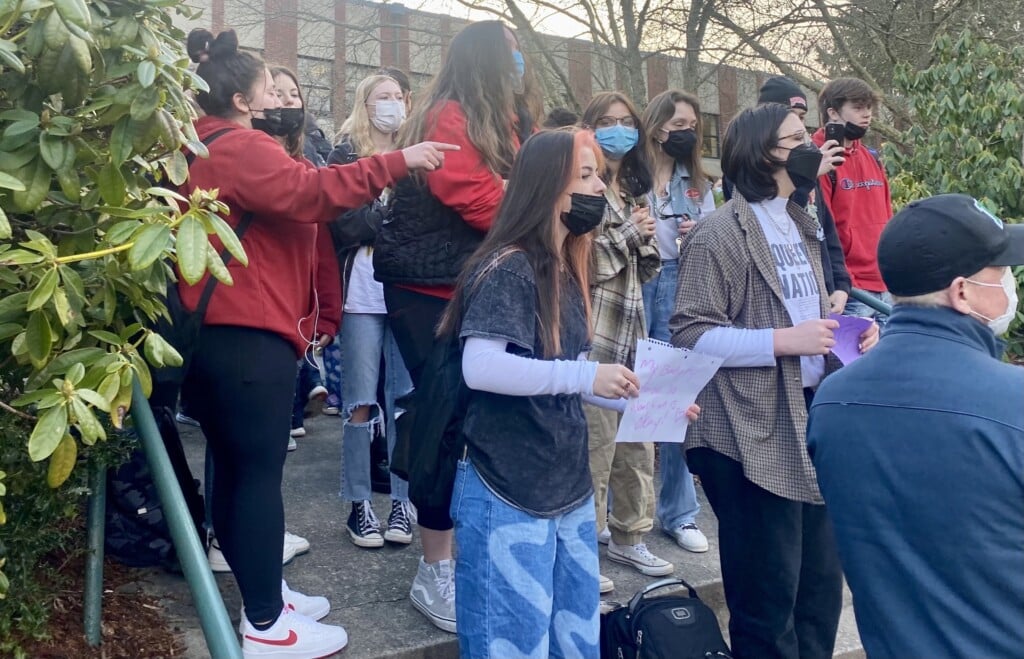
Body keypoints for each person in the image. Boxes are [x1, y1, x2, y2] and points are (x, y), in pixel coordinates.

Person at [181, 28, 454, 657]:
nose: (279, 95)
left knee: (240, 471)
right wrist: (398, 161)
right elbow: (314, 195)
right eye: (267, 88)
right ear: (245, 101)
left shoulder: (209, 144)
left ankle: (264, 595)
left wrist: (320, 310)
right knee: (253, 476)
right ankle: (269, 627)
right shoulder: (239, 146)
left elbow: (302, 219)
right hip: (245, 336)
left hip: (234, 335)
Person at [443, 127, 700, 658]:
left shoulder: (565, 266)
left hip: (566, 485)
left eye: (598, 178)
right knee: (513, 644)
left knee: (573, 642)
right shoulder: (508, 265)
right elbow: (483, 366)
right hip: (506, 485)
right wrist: (586, 377)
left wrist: (640, 396)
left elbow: (568, 365)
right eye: (583, 177)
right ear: (543, 185)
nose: (597, 190)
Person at [670, 104, 879, 659]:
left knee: (818, 594)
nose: (810, 146)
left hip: (810, 420)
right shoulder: (719, 234)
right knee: (767, 602)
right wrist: (781, 341)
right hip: (745, 432)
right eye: (795, 139)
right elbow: (690, 333)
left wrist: (850, 336)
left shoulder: (803, 222)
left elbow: (810, 323)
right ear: (764, 153)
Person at [807, 194, 1024, 658]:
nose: (1010, 282)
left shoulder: (834, 401)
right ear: (961, 292)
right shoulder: (1013, 402)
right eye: (1000, 271)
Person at [371, 20, 531, 634]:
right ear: (489, 61)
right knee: (443, 421)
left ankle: (470, 550)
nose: (519, 64)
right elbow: (482, 199)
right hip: (428, 289)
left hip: (480, 284)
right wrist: (538, 211)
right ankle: (434, 568)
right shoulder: (447, 116)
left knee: (481, 421)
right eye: (511, 55)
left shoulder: (507, 120)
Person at [579, 92, 674, 589]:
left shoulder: (633, 192)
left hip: (635, 333)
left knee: (638, 447)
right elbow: (585, 264)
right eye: (606, 122)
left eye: (625, 122)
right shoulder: (579, 190)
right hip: (596, 338)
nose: (618, 130)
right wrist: (626, 237)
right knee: (596, 449)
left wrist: (643, 235)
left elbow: (650, 264)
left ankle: (629, 536)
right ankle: (584, 546)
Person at [327, 73, 415, 549]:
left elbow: (421, 224)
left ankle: (403, 500)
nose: (393, 105)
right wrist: (386, 215)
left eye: (399, 97)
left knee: (403, 402)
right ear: (365, 103)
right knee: (361, 400)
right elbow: (344, 224)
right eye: (383, 97)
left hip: (406, 293)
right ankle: (359, 504)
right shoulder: (345, 155)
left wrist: (377, 218)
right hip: (360, 295)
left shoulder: (418, 153)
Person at [639, 89, 713, 554]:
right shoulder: (629, 176)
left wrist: (698, 231)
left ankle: (678, 512)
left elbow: (712, 232)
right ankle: (619, 509)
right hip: (632, 278)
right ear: (656, 125)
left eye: (691, 125)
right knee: (621, 387)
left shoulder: (698, 185)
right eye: (677, 123)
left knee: (670, 396)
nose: (683, 132)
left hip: (676, 280)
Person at [727, 75, 852, 313]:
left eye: (802, 119)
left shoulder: (808, 167)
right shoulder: (744, 172)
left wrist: (841, 284)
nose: (799, 128)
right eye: (788, 116)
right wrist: (806, 177)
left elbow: (824, 231)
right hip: (773, 301)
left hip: (819, 294)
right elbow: (775, 215)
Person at [270, 65, 334, 447]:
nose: (287, 102)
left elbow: (322, 249)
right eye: (276, 94)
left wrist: (328, 310)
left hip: (299, 308)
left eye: (293, 95)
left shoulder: (308, 168)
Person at [812, 77, 893, 319]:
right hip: (850, 289)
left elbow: (887, 216)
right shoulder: (819, 158)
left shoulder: (871, 156)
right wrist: (839, 281)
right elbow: (820, 227)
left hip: (884, 282)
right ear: (833, 113)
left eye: (869, 108)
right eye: (858, 108)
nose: (867, 115)